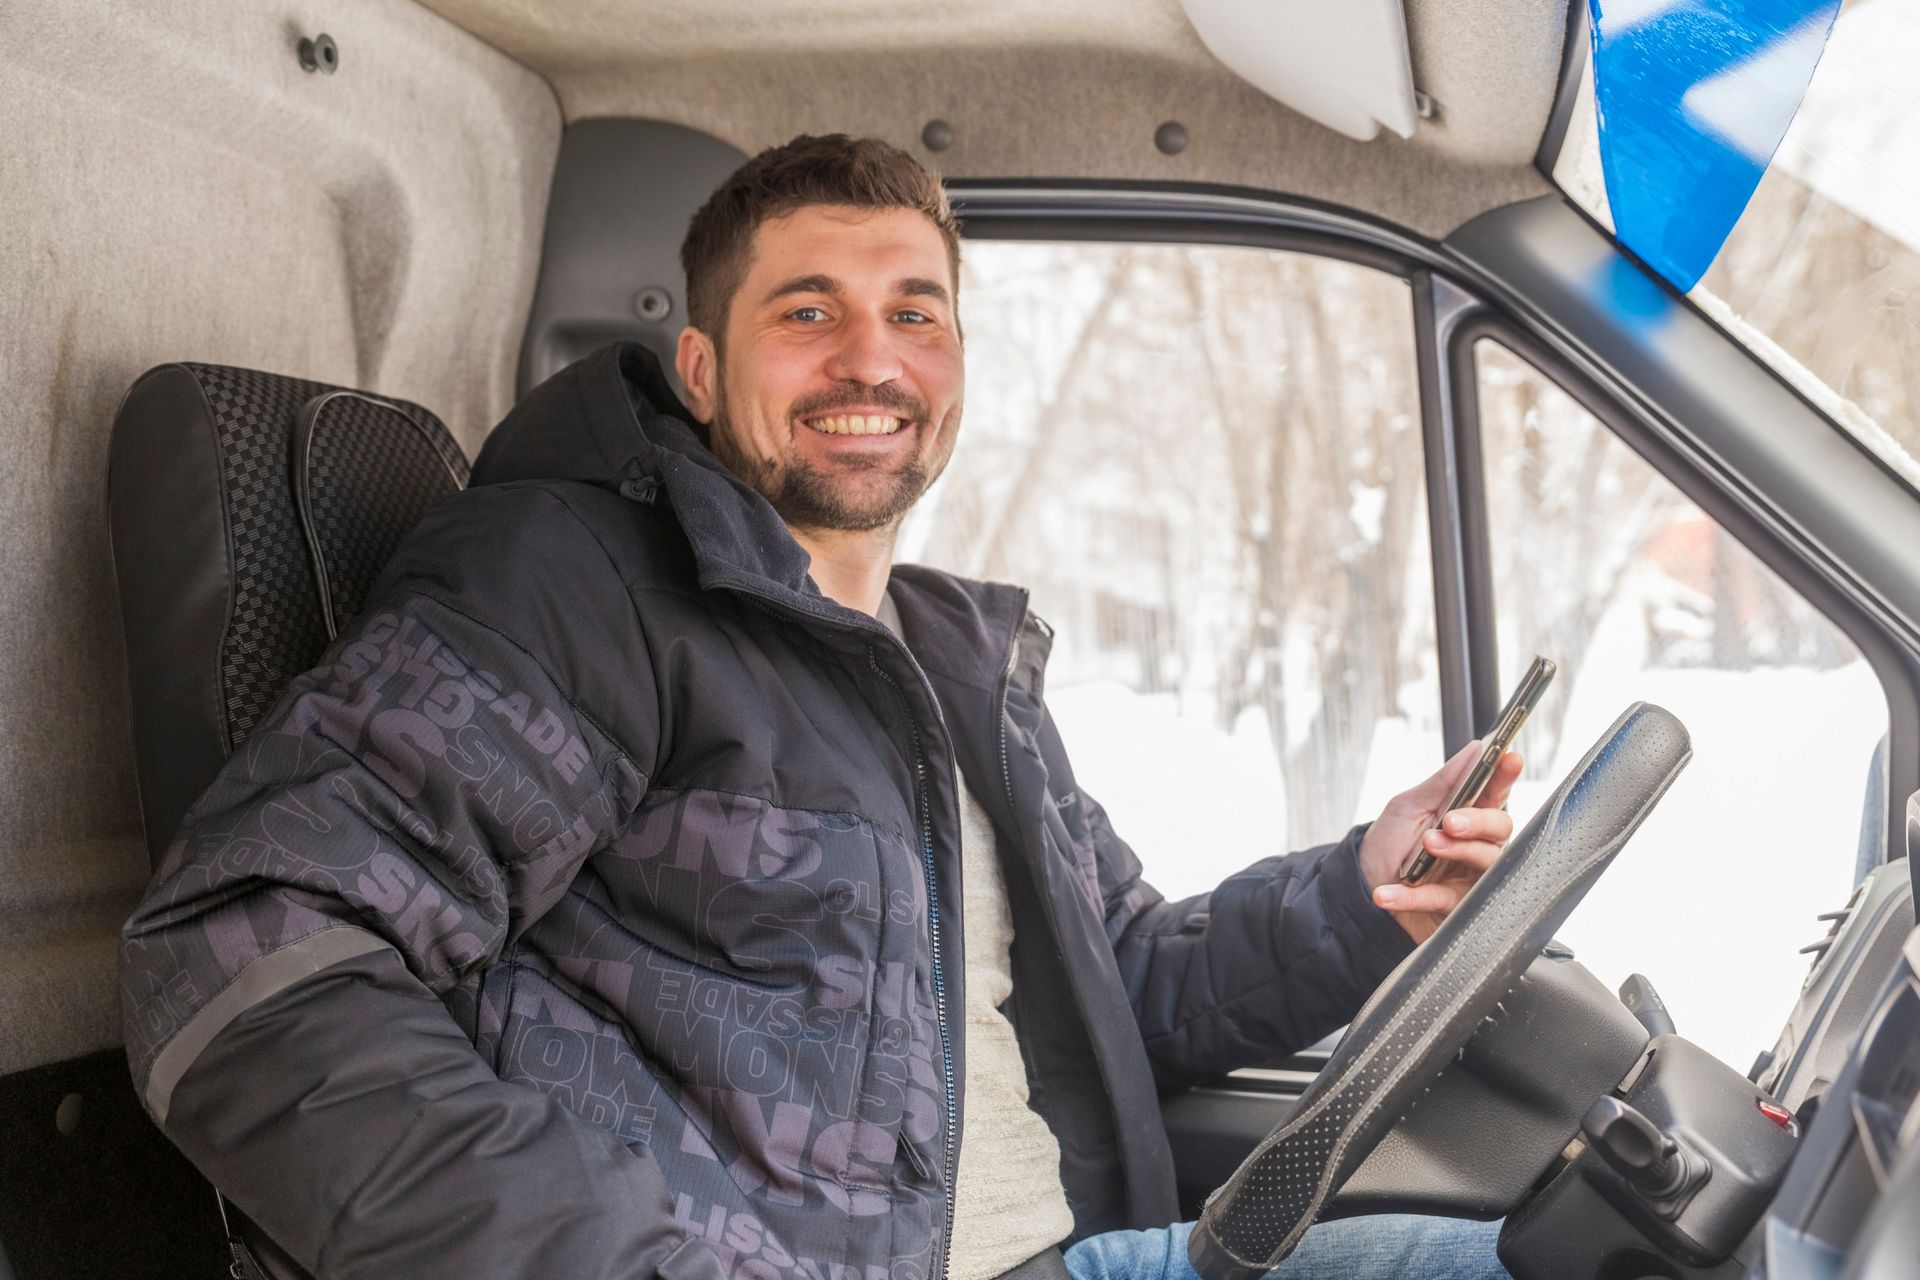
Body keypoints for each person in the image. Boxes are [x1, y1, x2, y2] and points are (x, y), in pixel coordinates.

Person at [120, 134, 1521, 1280]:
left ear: (956, 368)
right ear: (704, 372)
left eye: (914, 313)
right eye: (808, 313)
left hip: (1090, 1257)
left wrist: (1359, 898)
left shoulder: (956, 661)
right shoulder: (574, 589)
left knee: (1559, 1256)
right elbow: (246, 952)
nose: (870, 359)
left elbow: (1128, 981)